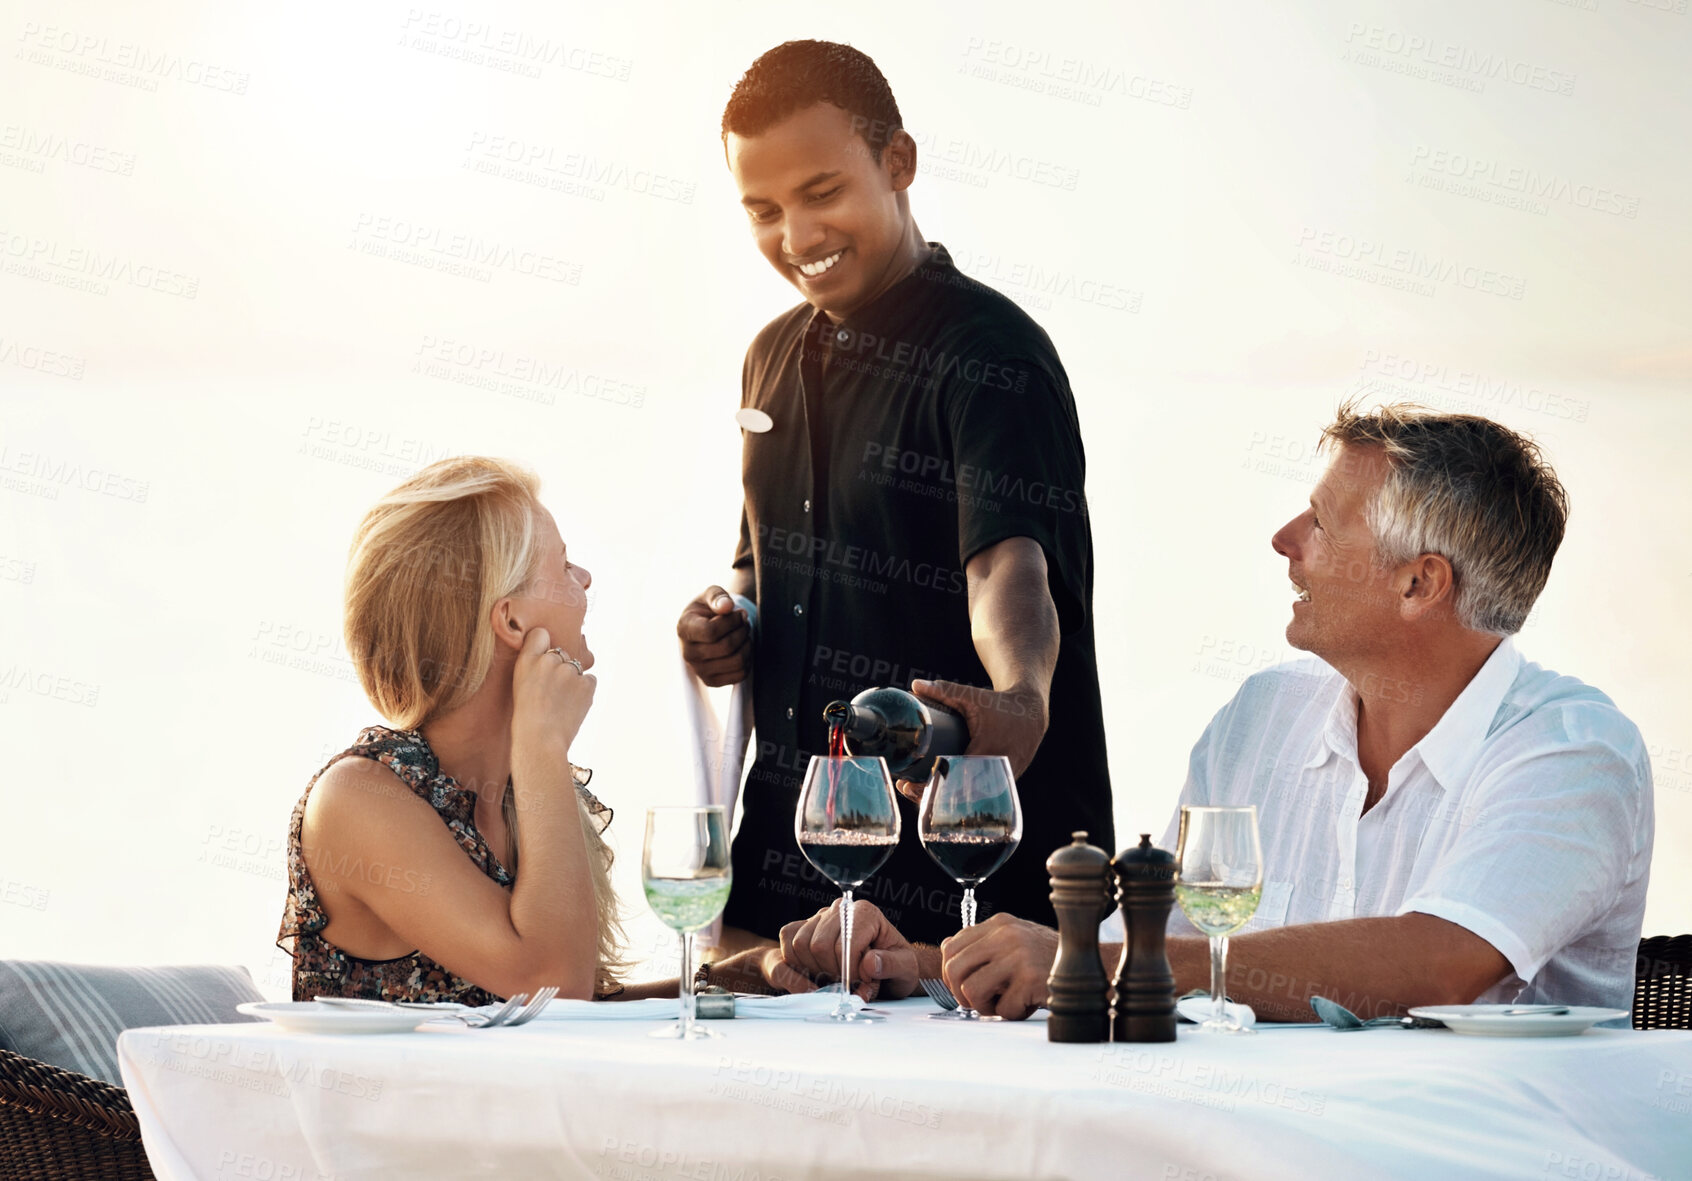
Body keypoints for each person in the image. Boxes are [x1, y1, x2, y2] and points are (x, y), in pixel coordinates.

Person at [771, 404, 1654, 1019]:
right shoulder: (1260, 718)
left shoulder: (1573, 752)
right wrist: (921, 964)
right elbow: (1141, 947)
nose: (1285, 542)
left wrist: (1082, 965)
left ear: (1421, 583)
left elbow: (1440, 963)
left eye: (1322, 524)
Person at [677, 40, 1113, 957]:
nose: (795, 238)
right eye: (763, 209)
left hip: (970, 886)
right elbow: (764, 558)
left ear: (899, 164)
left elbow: (1008, 563)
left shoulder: (991, 353)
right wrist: (729, 621)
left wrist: (1023, 695)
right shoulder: (767, 354)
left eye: (823, 192)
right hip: (788, 859)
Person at [277, 457, 772, 1003]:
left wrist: (734, 980)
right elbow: (553, 985)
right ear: (511, 621)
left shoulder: (519, 787)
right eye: (562, 567)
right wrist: (541, 742)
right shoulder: (359, 799)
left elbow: (567, 1008)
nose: (585, 578)